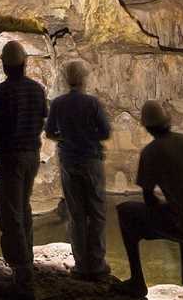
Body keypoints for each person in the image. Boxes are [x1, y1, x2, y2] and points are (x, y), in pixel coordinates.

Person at [111, 101, 183, 300]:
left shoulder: (151, 152)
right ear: (168, 121)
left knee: (125, 212)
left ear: (146, 127)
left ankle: (137, 281)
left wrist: (173, 206)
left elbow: (148, 198)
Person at [0, 40, 48, 300]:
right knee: (24, 207)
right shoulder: (37, 90)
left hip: (10, 156)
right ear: (24, 63)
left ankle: (22, 280)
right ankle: (27, 263)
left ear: (4, 65)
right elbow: (43, 117)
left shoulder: (0, 92)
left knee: (10, 213)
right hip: (31, 155)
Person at [44, 60, 111, 281]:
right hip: (90, 159)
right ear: (83, 78)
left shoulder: (58, 103)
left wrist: (67, 137)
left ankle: (81, 265)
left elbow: (50, 133)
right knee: (97, 212)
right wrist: (86, 136)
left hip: (69, 160)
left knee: (76, 213)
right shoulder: (92, 103)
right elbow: (105, 132)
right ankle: (98, 264)